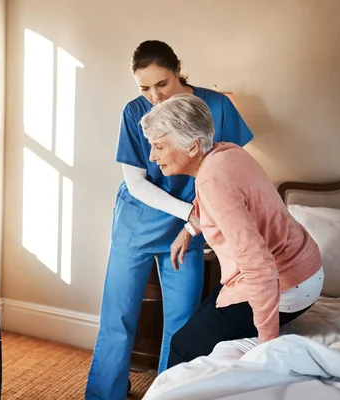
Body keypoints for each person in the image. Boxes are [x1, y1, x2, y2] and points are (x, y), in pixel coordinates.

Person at [85, 40, 254, 400]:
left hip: (188, 231)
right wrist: (190, 213)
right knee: (118, 319)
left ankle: (169, 393)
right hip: (138, 223)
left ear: (178, 69)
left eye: (162, 84)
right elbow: (135, 182)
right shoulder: (134, 113)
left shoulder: (218, 106)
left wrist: (200, 219)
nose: (155, 96)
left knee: (181, 322)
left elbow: (229, 163)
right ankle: (104, 395)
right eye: (144, 87)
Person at [138, 93, 323, 368]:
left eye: (159, 147)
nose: (153, 156)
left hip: (285, 283)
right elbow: (216, 203)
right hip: (308, 271)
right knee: (211, 306)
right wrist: (189, 229)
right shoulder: (226, 152)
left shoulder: (212, 180)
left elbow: (258, 264)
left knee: (183, 346)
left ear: (192, 147)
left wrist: (267, 344)